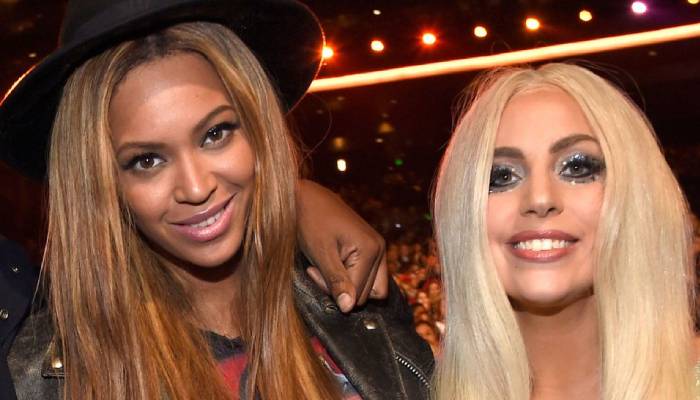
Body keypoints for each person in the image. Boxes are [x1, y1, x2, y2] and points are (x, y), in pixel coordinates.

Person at [0, 1, 433, 399]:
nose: (195, 187)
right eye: (146, 160)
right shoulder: (48, 379)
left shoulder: (351, 303)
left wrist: (296, 196)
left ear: (258, 127)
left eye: (215, 134)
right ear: (100, 183)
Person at [432, 63, 696, 398]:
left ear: (635, 194)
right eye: (501, 176)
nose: (540, 199)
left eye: (577, 167)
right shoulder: (409, 389)